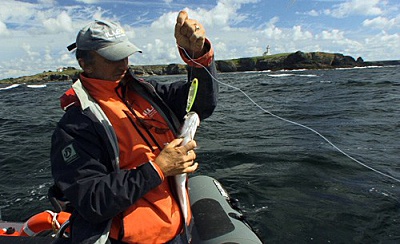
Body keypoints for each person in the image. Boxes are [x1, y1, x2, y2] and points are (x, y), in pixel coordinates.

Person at [50, 10, 218, 243]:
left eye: (125, 55)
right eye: (112, 57)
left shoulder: (149, 92)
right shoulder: (75, 126)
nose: (124, 63)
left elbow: (201, 104)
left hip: (178, 231)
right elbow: (91, 201)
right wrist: (158, 168)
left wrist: (197, 55)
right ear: (84, 64)